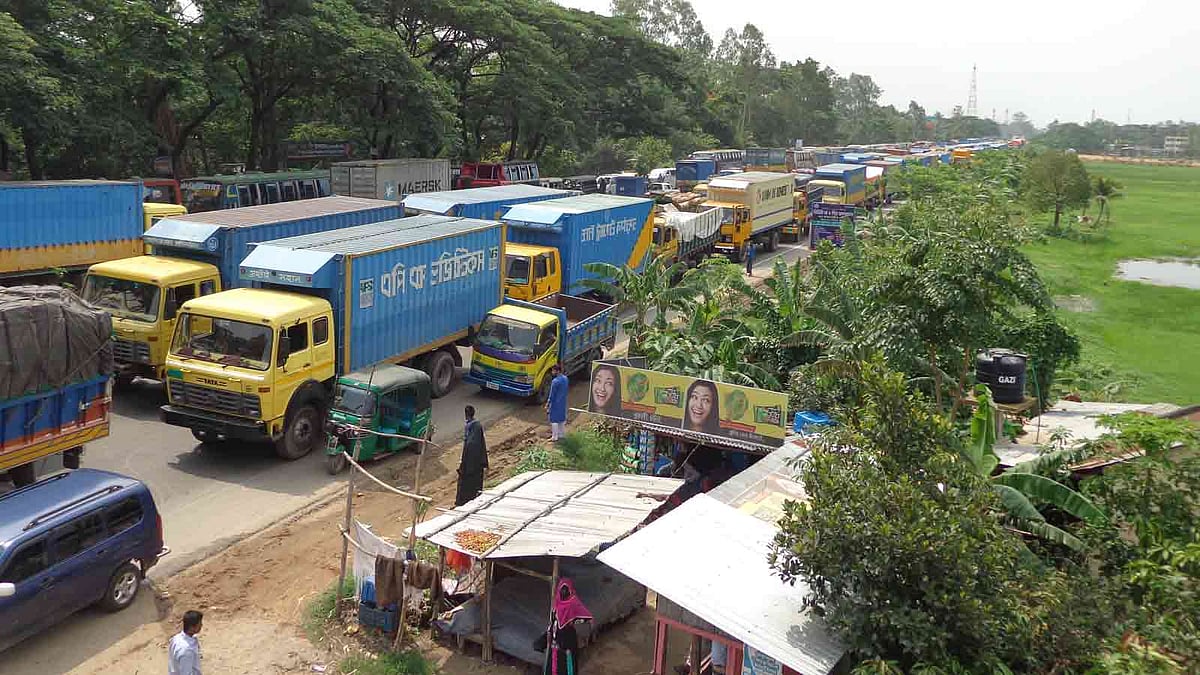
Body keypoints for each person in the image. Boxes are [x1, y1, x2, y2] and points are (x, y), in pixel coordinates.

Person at [535, 578, 593, 675]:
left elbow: (586, 617)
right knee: (553, 665)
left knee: (567, 666)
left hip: (568, 640)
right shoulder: (556, 603)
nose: (564, 592)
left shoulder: (574, 602)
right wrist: (549, 633)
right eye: (562, 589)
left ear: (570, 590)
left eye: (566, 589)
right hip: (555, 638)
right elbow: (552, 620)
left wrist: (574, 620)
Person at [456, 406, 488, 506]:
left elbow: (468, 445)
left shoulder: (471, 427)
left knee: (466, 484)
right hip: (477, 461)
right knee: (475, 482)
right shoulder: (477, 426)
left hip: (470, 463)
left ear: (466, 415)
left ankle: (463, 502)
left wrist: (463, 461)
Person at [168, 610, 203, 675]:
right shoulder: (186, 651)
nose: (201, 625)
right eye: (199, 624)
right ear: (192, 627)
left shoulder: (176, 638)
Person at [546, 364, 570, 441]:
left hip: (555, 403)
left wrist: (548, 404)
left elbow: (552, 394)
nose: (552, 372)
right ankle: (561, 434)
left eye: (553, 370)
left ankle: (554, 437)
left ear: (557, 371)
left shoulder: (555, 381)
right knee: (561, 419)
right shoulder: (565, 378)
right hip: (563, 401)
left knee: (554, 420)